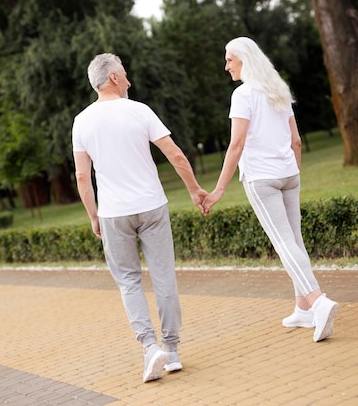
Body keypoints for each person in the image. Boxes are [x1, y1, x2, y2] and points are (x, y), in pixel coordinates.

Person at [72, 53, 207, 382]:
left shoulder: (81, 121)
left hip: (113, 214)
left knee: (129, 282)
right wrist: (194, 190)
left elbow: (81, 176)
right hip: (151, 206)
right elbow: (174, 153)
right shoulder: (140, 110)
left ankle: (150, 348)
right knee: (164, 278)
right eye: (126, 75)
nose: (130, 81)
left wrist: (93, 216)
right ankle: (171, 350)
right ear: (114, 78)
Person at [202, 37, 339, 342]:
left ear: (244, 60)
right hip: (289, 174)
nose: (226, 67)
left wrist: (220, 189)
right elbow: (296, 140)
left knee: (283, 243)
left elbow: (236, 144)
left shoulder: (243, 95)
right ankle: (303, 309)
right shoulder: (278, 89)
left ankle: (318, 302)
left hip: (261, 180)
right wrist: (294, 172)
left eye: (229, 60)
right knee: (294, 241)